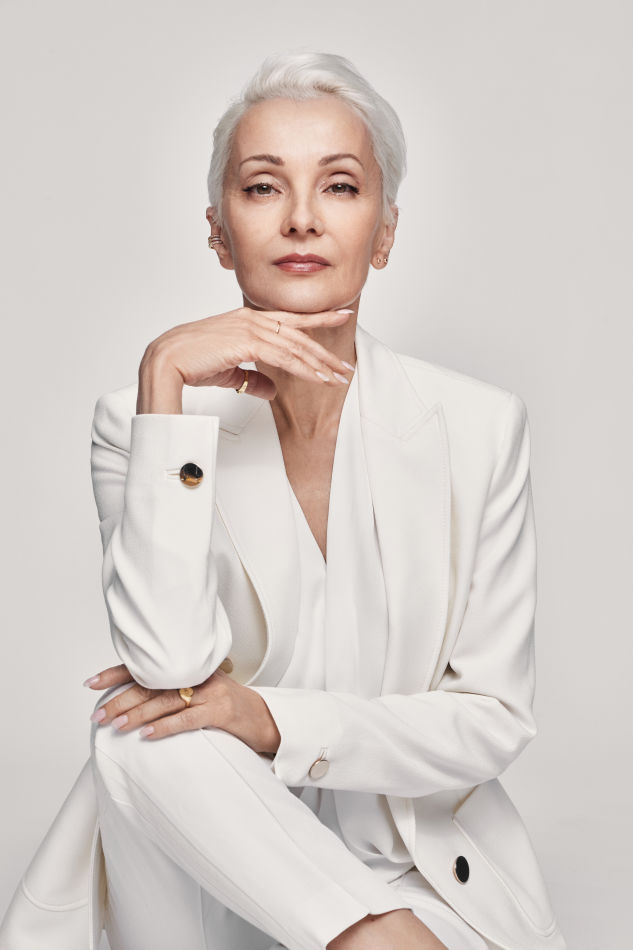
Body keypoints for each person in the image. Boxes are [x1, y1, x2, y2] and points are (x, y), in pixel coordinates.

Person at [0, 51, 567, 950]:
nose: (301, 218)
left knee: (157, 723)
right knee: (138, 733)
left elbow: (490, 718)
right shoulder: (142, 424)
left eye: (339, 186)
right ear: (219, 234)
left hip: (410, 872)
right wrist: (163, 376)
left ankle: (376, 928)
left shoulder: (478, 427)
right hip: (203, 892)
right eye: (263, 187)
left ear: (384, 232)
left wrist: (265, 717)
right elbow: (166, 662)